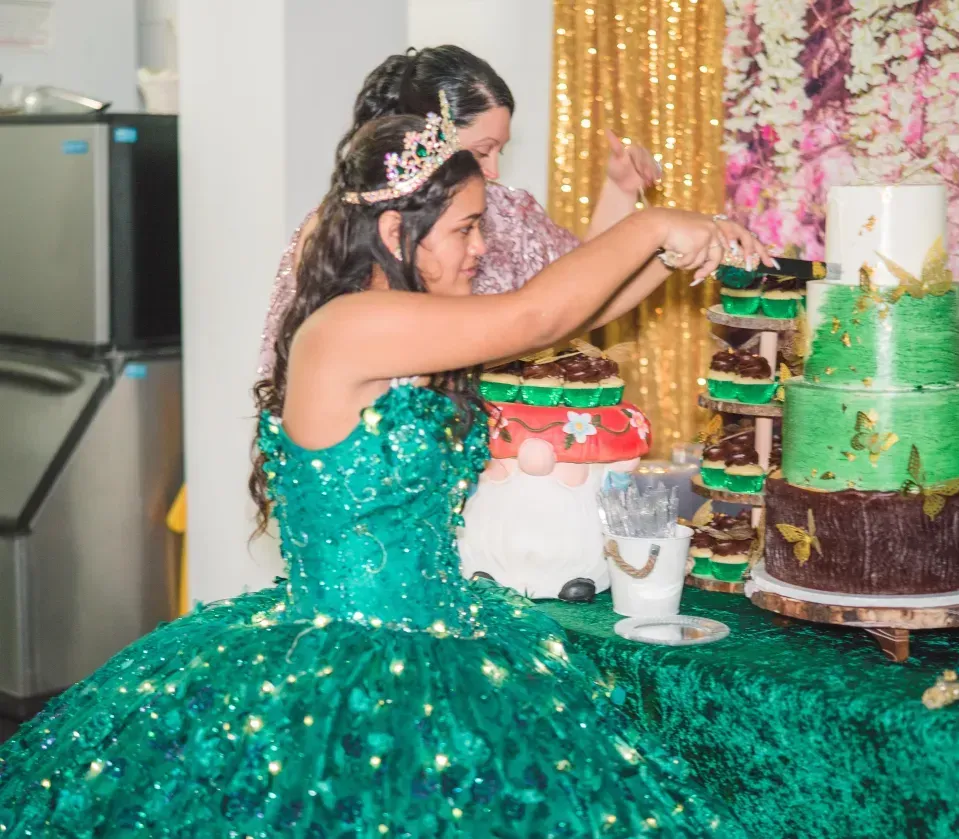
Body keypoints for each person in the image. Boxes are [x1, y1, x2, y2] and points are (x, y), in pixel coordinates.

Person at [0, 104, 771, 836]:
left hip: (448, 629)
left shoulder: (408, 329)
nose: (481, 249)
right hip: (354, 666)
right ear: (398, 228)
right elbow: (537, 314)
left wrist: (665, 254)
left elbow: (574, 314)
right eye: (469, 228)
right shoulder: (347, 328)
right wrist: (653, 222)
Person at [259, 45, 663, 378]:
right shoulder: (347, 232)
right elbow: (538, 319)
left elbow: (577, 295)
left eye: (500, 150)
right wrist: (656, 228)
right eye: (480, 151)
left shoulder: (506, 210)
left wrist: (621, 192)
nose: (493, 170)